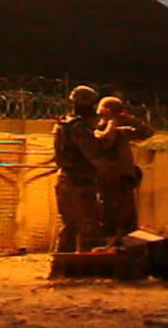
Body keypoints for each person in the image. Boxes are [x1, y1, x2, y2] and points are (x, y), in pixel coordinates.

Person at [52, 85, 105, 253]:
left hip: (63, 178)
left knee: (69, 225)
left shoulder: (62, 125)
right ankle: (86, 265)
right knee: (89, 224)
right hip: (80, 181)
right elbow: (93, 152)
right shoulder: (79, 127)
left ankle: (61, 265)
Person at [93, 96, 153, 238]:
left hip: (124, 179)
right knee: (110, 217)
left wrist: (131, 120)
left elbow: (147, 132)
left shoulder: (120, 131)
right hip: (109, 180)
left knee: (128, 218)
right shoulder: (98, 131)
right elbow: (105, 140)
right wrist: (112, 121)